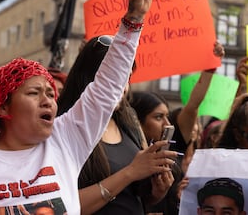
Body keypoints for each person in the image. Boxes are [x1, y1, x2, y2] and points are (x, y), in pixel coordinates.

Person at [0, 0, 164, 214]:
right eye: (34, 93)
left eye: (50, 94)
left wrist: (134, 20)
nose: (48, 101)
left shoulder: (65, 139)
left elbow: (107, 88)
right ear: (4, 107)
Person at [57, 36, 176, 215]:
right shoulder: (62, 127)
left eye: (127, 77)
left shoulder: (128, 119)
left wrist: (157, 191)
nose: (123, 87)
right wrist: (129, 172)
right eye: (114, 78)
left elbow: (136, 196)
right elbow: (60, 206)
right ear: (89, 77)